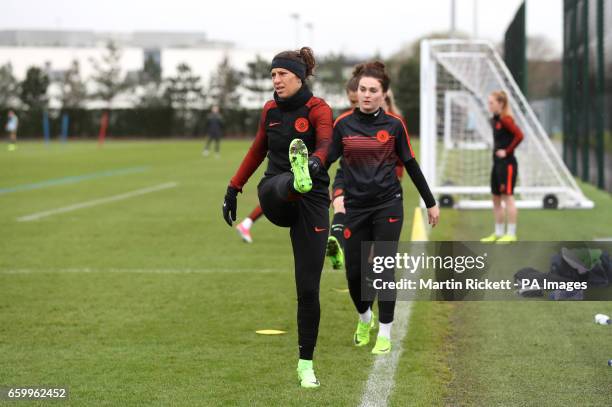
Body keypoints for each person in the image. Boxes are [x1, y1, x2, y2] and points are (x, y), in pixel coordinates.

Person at [222, 47, 332, 388]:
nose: (276, 80)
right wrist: (233, 187)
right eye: (272, 75)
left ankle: (305, 365)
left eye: (281, 74)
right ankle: (295, 178)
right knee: (279, 184)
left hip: (312, 200)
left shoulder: (318, 109)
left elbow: (327, 143)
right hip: (274, 193)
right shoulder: (269, 109)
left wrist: (316, 162)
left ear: (299, 76)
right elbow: (257, 149)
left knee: (308, 289)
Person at [327, 61, 439, 355]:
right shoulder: (343, 125)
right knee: (354, 274)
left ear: (383, 94)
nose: (366, 95)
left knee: (383, 269)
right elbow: (327, 160)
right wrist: (306, 174)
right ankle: (365, 318)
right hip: (355, 207)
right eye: (362, 89)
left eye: (372, 90)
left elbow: (411, 165)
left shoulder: (393, 125)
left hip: (388, 204)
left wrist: (430, 202)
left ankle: (385, 334)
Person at [480, 90, 524, 243]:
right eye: (489, 102)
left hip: (508, 165)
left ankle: (511, 234)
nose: (489, 105)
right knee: (496, 198)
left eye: (491, 102)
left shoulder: (506, 120)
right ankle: (498, 233)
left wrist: (507, 151)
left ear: (501, 103)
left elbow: (520, 135)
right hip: (497, 164)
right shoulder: (495, 120)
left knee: (508, 198)